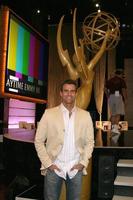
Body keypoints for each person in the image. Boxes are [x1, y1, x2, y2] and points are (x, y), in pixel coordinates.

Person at [34, 79, 94, 200]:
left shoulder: (85, 115)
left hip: (75, 167)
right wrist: (48, 163)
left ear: (76, 93)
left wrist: (83, 163)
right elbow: (38, 141)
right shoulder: (49, 114)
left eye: (72, 91)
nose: (69, 94)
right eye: (66, 91)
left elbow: (90, 142)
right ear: (61, 93)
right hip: (54, 167)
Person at [105, 70, 127, 144]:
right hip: (118, 97)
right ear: (120, 74)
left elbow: (105, 88)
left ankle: (113, 132)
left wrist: (108, 96)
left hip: (111, 97)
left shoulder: (110, 80)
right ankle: (115, 132)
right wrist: (125, 99)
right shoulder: (121, 80)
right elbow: (123, 90)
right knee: (117, 115)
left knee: (113, 115)